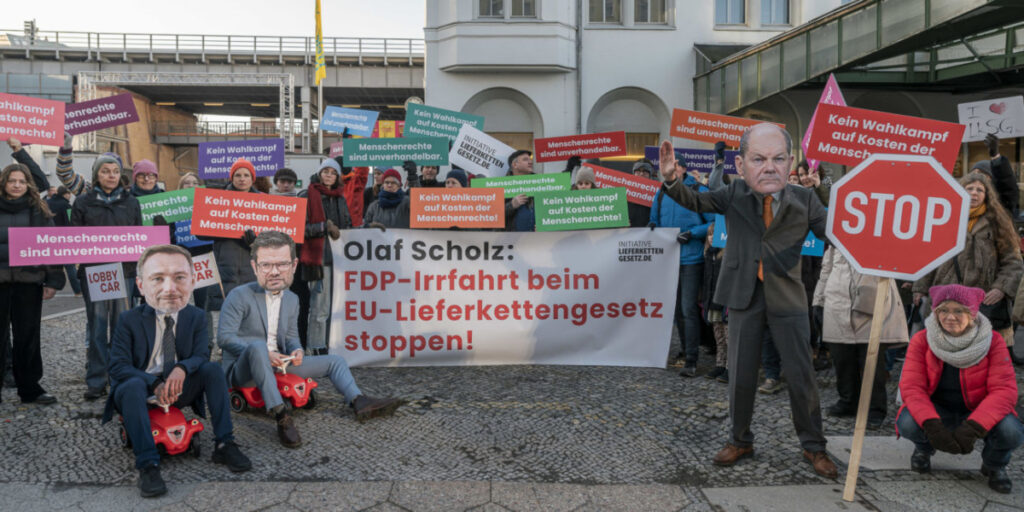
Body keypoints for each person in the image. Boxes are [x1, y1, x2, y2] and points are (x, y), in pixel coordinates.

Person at [656, 123, 837, 479]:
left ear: (789, 163)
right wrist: (671, 180)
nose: (769, 166)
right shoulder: (734, 192)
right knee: (740, 374)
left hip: (788, 298)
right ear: (741, 165)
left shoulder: (805, 199)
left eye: (778, 158)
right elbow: (697, 200)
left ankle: (814, 446)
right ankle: (740, 439)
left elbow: (836, 231)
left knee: (802, 376)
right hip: (743, 296)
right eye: (758, 158)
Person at [217, 231, 403, 447]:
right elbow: (224, 337)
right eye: (267, 265)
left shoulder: (292, 299)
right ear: (255, 267)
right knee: (258, 347)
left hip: (281, 364)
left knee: (336, 361)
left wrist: (297, 351)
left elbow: (292, 338)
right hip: (244, 370)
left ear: (294, 266)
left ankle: (358, 401)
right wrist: (263, 352)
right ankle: (281, 416)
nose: (275, 272)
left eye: (282, 264)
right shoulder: (239, 296)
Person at [104, 245, 252, 497]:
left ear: (192, 282)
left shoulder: (195, 316)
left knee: (212, 370)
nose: (169, 289)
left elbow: (201, 354)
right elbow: (118, 366)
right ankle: (148, 464)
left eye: (179, 278)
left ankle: (225, 442)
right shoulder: (129, 319)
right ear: (141, 286)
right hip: (141, 390)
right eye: (158, 279)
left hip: (178, 386)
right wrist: (152, 383)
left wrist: (182, 368)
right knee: (130, 385)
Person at [897, 284, 1022, 494]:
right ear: (935, 313)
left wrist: (974, 427)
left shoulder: (993, 341)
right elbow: (912, 387)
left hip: (977, 411)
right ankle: (923, 450)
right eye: (943, 310)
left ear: (972, 314)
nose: (950, 317)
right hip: (937, 409)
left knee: (1011, 432)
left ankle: (994, 465)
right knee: (907, 423)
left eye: (959, 310)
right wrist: (932, 426)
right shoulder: (922, 340)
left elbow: (1004, 391)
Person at [912, 173, 1023, 347]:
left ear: (987, 195)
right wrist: (920, 287)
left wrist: (1001, 288)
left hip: (982, 299)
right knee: (944, 348)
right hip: (945, 296)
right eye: (969, 188)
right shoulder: (943, 218)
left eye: (980, 189)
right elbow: (929, 256)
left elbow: (1013, 262)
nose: (974, 193)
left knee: (978, 351)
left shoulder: (999, 223)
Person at [73, 153, 143, 400]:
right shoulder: (83, 202)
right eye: (105, 171)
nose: (111, 176)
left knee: (121, 328)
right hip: (95, 272)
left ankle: (121, 377)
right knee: (98, 328)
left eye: (114, 171)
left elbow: (139, 239)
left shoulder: (131, 202)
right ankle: (96, 380)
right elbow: (74, 239)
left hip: (123, 272)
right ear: (97, 174)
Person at [813, 246, 908, 429]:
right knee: (842, 358)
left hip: (872, 302)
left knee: (871, 361)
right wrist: (818, 300)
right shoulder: (836, 239)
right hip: (837, 302)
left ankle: (875, 409)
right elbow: (827, 268)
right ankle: (848, 401)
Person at [0, 164, 64, 405]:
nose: (17, 185)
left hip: (29, 283)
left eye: (22, 181)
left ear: (28, 185)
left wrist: (53, 280)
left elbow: (51, 247)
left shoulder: (39, 210)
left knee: (28, 336)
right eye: (12, 180)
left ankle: (30, 388)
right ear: (4, 183)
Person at [649, 159, 710, 377]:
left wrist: (693, 233)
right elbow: (654, 218)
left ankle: (692, 360)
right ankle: (685, 351)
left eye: (675, 166)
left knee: (688, 309)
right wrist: (652, 227)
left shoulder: (700, 190)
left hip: (692, 259)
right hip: (669, 259)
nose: (671, 171)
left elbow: (712, 224)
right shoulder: (662, 192)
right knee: (677, 311)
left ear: (683, 169)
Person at [297, 159, 352, 354]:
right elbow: (298, 229)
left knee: (334, 309)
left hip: (338, 260)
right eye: (325, 171)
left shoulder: (340, 198)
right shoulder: (306, 195)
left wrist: (368, 231)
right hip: (317, 261)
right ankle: (316, 348)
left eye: (333, 172)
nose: (328, 175)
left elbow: (347, 228)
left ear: (337, 177)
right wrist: (323, 228)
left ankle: (329, 345)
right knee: (319, 309)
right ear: (319, 173)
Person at [207, 158, 262, 300]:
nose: (242, 179)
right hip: (225, 268)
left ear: (252, 179)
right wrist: (224, 230)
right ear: (231, 178)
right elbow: (200, 233)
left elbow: (273, 239)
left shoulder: (264, 203)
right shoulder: (216, 200)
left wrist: (257, 242)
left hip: (252, 269)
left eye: (246, 175)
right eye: (238, 175)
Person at [45, 186, 82, 296]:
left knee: (52, 266)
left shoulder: (47, 203)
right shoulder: (66, 205)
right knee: (70, 266)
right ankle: (78, 290)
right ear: (66, 194)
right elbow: (71, 223)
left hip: (48, 238)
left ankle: (49, 288)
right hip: (64, 239)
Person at [505, 150, 535, 232]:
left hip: (537, 238)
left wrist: (544, 225)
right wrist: (511, 205)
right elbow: (492, 215)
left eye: (530, 159)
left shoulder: (541, 182)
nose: (530, 162)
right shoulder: (502, 185)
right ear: (515, 165)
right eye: (525, 160)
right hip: (512, 240)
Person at [627, 160, 654, 228]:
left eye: (645, 172)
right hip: (629, 234)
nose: (641, 174)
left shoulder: (656, 193)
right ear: (634, 174)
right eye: (638, 172)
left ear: (650, 175)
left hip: (650, 234)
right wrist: (622, 221)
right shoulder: (626, 192)